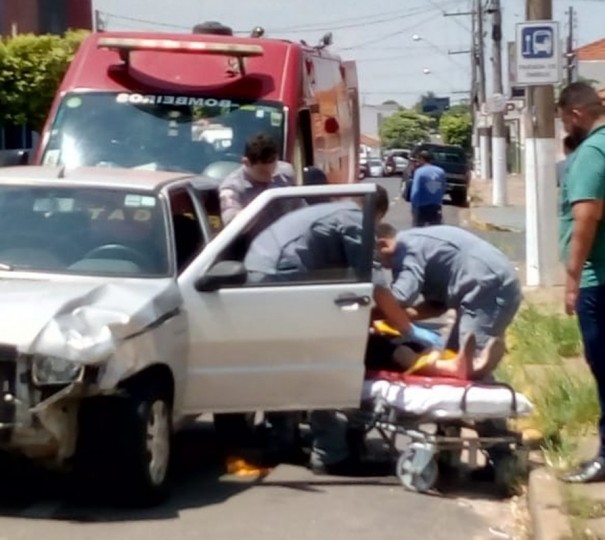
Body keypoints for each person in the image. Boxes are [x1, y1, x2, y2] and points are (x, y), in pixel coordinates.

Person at [244, 180, 444, 475]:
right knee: (321, 361)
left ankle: (282, 439)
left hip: (258, 273)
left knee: (288, 360)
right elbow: (376, 289)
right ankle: (330, 454)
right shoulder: (356, 221)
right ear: (378, 215)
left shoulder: (331, 212)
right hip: (282, 279)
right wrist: (407, 330)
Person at [556, 82, 605, 484]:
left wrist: (571, 279)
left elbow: (586, 217)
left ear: (575, 114)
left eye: (562, 119)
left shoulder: (589, 152)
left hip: (598, 280)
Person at [375, 223, 522, 354]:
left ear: (383, 245)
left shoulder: (405, 248)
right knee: (453, 355)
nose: (381, 268)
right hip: (489, 282)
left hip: (488, 285)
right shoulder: (419, 245)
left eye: (376, 261)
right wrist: (399, 318)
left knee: (469, 359)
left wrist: (368, 315)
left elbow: (400, 297)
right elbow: (436, 306)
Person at [219, 132, 299, 232]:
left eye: (274, 168)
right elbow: (232, 227)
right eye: (263, 172)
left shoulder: (286, 172)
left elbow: (299, 207)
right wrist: (263, 200)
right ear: (246, 162)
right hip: (257, 244)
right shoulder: (232, 188)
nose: (271, 176)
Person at [409, 150, 446, 227]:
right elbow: (442, 189)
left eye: (418, 159)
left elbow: (415, 191)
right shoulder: (440, 171)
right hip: (435, 206)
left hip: (422, 206)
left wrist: (414, 206)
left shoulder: (419, 172)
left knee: (418, 230)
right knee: (434, 230)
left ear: (422, 159)